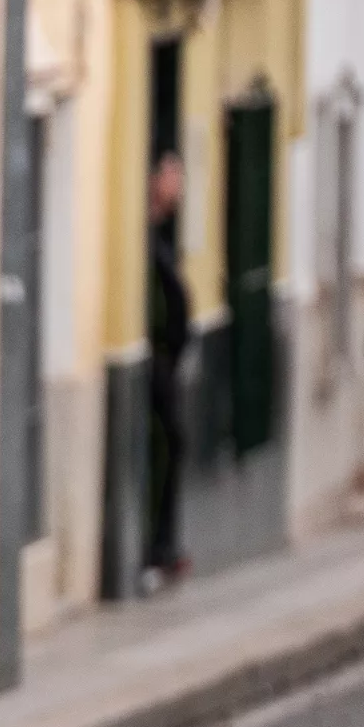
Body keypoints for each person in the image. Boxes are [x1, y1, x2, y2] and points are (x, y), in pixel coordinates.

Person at [142, 151, 191, 593]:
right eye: (174, 174)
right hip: (152, 361)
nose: (180, 185)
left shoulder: (159, 232)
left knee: (172, 445)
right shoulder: (144, 235)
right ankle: (153, 551)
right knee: (164, 445)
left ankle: (162, 546)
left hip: (166, 361)